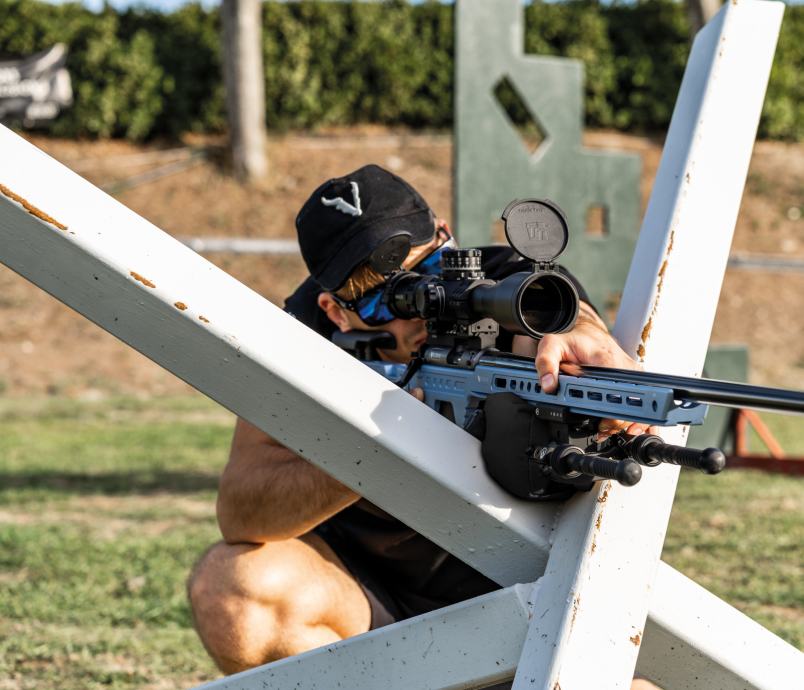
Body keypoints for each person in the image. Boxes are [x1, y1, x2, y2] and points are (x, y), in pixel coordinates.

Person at [188, 165, 650, 676]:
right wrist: (375, 447)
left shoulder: (508, 286)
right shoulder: (304, 335)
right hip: (366, 597)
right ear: (335, 313)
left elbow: (565, 329)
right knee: (230, 591)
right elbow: (243, 512)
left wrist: (582, 335)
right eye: (382, 300)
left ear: (447, 236)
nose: (419, 311)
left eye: (429, 269)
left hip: (521, 597)